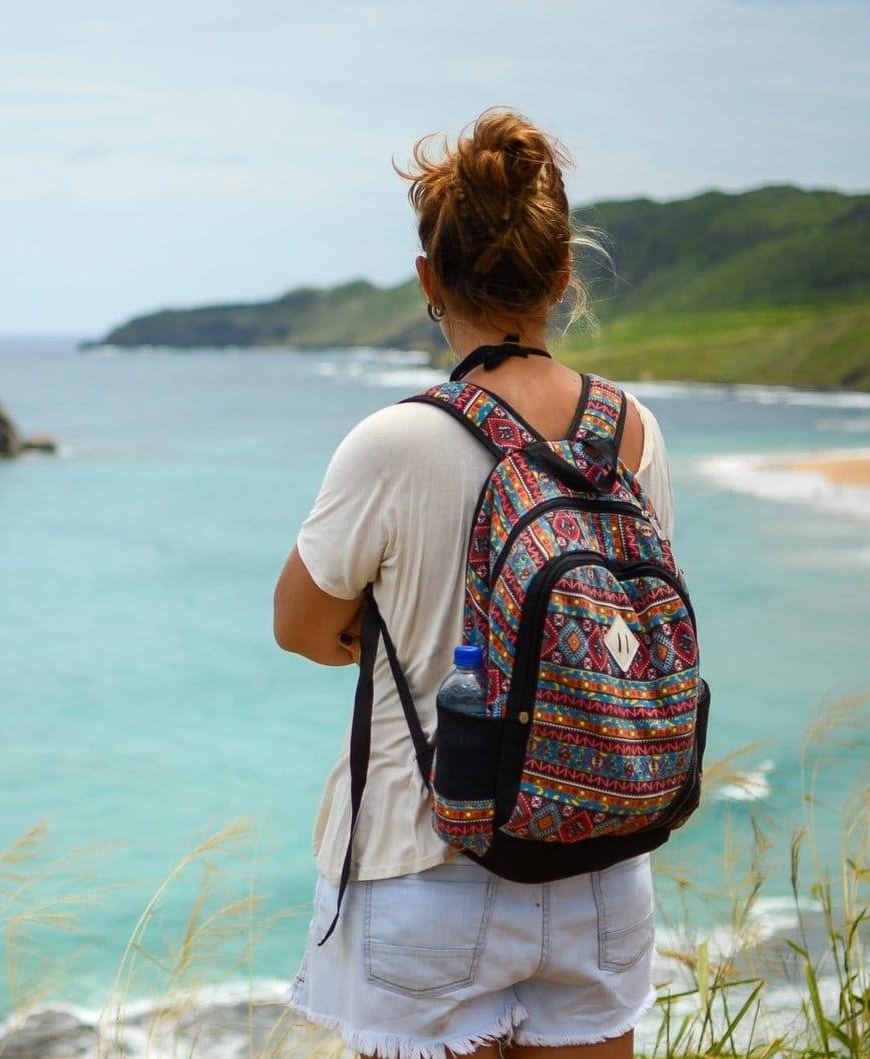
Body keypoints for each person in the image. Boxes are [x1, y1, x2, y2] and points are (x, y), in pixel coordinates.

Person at [273, 109, 674, 1058]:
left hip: (428, 865)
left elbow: (300, 624)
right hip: (599, 856)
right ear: (562, 274)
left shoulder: (395, 441)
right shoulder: (632, 430)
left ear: (427, 279)